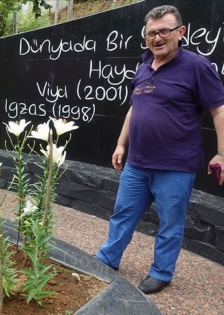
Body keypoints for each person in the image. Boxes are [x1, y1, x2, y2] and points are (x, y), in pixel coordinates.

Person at [95, 5, 224, 295]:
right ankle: (108, 259)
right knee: (122, 214)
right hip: (137, 164)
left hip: (175, 167)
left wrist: (222, 153)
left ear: (180, 32)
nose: (157, 37)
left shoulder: (197, 66)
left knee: (169, 223)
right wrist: (120, 143)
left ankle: (161, 273)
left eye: (164, 31)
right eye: (151, 33)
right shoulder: (142, 68)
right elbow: (133, 109)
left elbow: (218, 110)